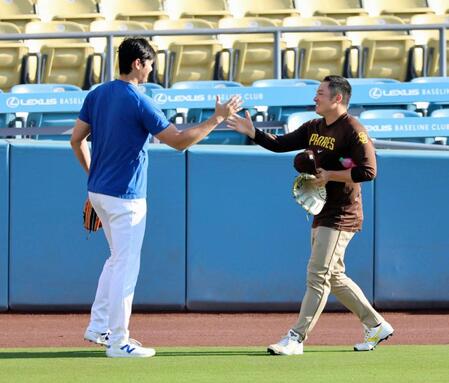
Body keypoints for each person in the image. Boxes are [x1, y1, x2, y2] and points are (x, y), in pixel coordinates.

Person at [70, 37, 242, 358]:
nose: (152, 70)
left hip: (101, 193)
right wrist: (217, 118)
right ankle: (119, 341)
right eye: (150, 64)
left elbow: (76, 140)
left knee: (115, 259)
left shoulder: (97, 94)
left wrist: (92, 181)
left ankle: (99, 326)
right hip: (125, 198)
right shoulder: (139, 100)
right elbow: (178, 142)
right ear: (138, 63)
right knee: (126, 265)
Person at [227, 75, 394, 355]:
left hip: (343, 213)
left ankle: (296, 338)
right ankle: (376, 325)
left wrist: (331, 174)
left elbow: (369, 171)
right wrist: (253, 132)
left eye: (320, 93)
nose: (315, 98)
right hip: (323, 210)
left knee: (317, 275)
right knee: (334, 276)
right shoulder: (314, 127)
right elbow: (280, 144)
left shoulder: (353, 130)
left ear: (337, 98)